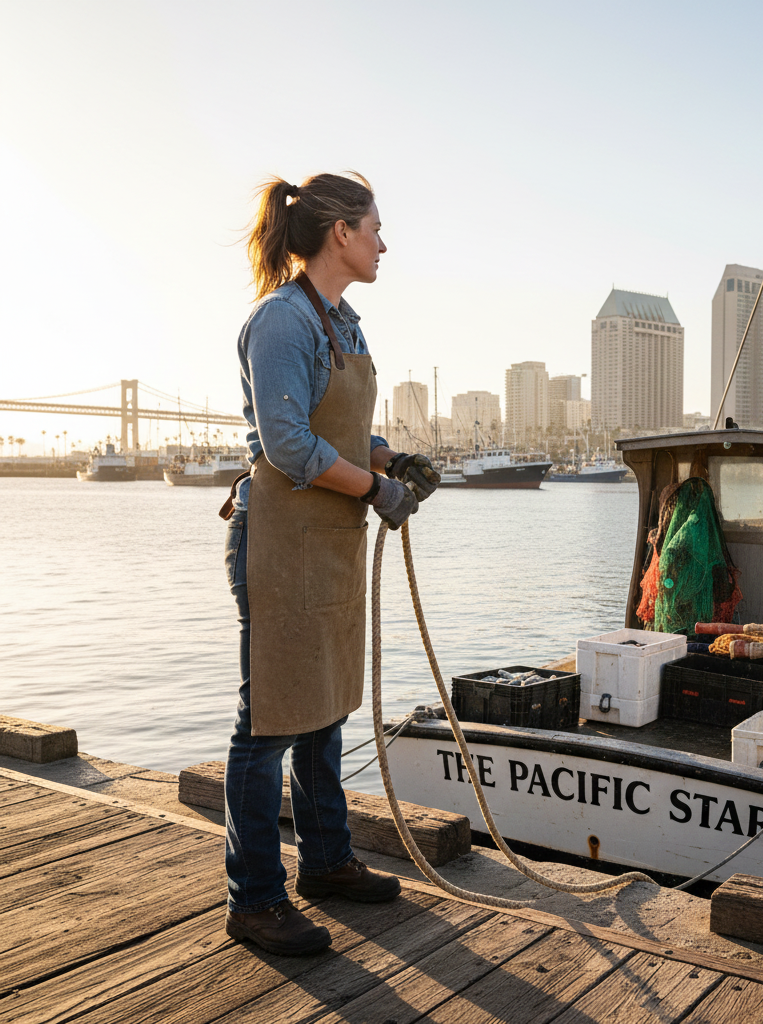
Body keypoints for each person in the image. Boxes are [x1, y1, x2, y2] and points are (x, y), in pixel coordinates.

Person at [221, 172, 440, 956]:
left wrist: (393, 458)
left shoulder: (345, 322)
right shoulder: (281, 321)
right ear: (339, 232)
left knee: (326, 710)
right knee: (269, 721)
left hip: (331, 541)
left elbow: (345, 438)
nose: (384, 243)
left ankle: (326, 861)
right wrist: (376, 485)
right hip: (279, 543)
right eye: (376, 228)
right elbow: (286, 446)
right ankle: (253, 901)